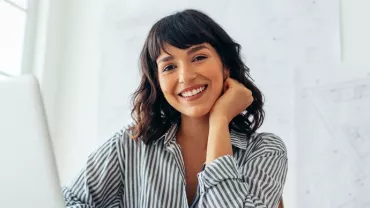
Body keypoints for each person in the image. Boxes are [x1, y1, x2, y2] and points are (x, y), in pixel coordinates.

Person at [62, 9, 288, 208]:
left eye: (199, 57)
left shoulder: (265, 151)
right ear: (157, 81)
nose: (185, 76)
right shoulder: (129, 145)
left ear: (226, 66)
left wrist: (219, 120)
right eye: (169, 66)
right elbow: (66, 202)